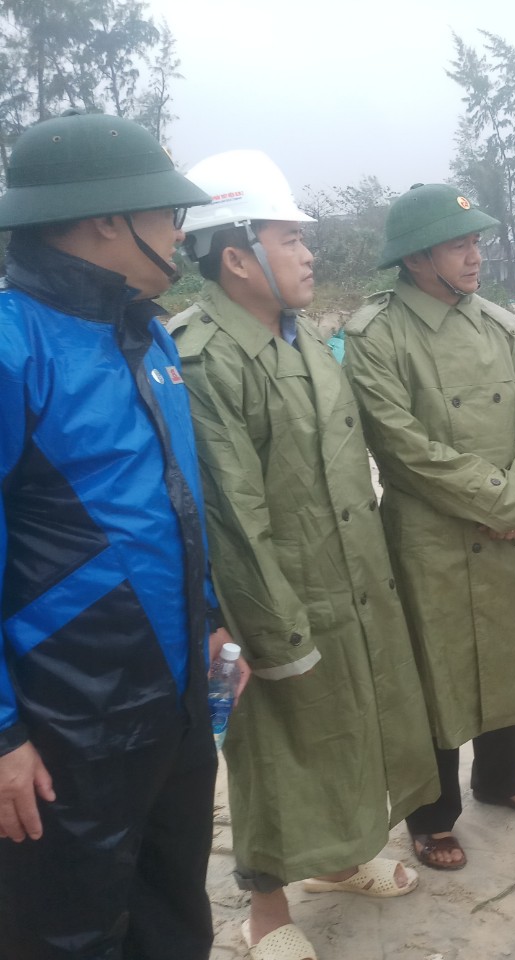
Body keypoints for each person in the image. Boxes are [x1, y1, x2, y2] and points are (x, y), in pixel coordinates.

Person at [170, 150, 440, 958]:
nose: (309, 254)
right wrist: (276, 635)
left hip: (348, 581)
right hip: (272, 601)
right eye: (290, 239)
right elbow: (235, 517)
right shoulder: (206, 356)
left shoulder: (305, 336)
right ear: (237, 257)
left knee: (351, 728)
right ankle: (265, 914)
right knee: (273, 752)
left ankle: (343, 860)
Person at [0, 112, 241, 959]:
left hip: (172, 705)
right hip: (62, 724)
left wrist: (210, 619)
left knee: (174, 908)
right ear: (107, 218)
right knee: (69, 933)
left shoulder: (148, 332)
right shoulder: (14, 344)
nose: (178, 232)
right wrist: (3, 735)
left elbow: (175, 503)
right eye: (167, 213)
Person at [344, 184, 515, 872]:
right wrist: (501, 501)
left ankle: (502, 779)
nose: (475, 257)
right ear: (416, 258)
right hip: (429, 538)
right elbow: (401, 448)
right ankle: (432, 815)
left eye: (476, 243)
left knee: (505, 655)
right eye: (458, 245)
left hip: (510, 526)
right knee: (434, 674)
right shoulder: (376, 336)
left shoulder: (497, 324)